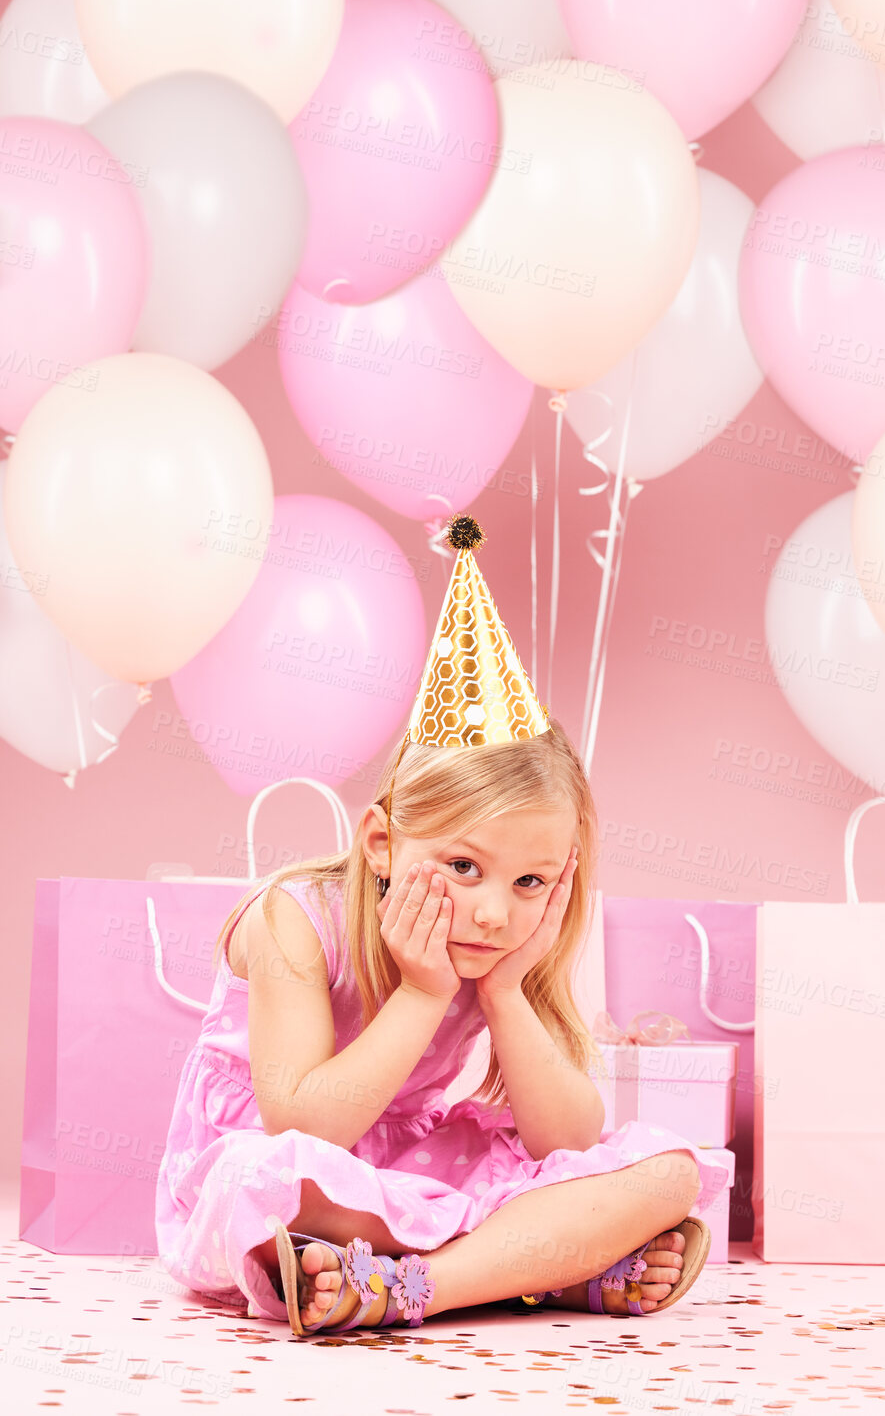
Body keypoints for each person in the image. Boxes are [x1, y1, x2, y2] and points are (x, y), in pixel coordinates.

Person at [155, 514, 731, 1334]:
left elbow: (566, 1136)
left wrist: (502, 991)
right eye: (464, 867)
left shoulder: (498, 943)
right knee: (277, 1183)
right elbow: (305, 1126)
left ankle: (414, 1285)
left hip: (399, 1168)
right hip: (290, 1171)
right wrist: (424, 994)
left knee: (664, 1174)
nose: (494, 910)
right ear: (383, 842)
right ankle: (539, 1267)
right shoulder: (293, 919)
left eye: (530, 879)